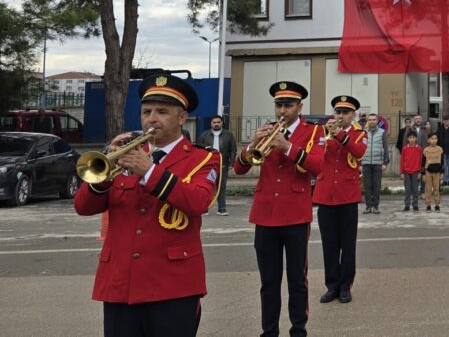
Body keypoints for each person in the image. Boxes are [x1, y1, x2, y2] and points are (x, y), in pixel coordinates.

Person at [74, 74, 220, 337]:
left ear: (182, 117)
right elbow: (83, 207)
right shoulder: (127, 154)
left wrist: (150, 171)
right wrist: (105, 170)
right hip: (121, 283)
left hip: (173, 285)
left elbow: (198, 201)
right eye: (146, 112)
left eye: (162, 111)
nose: (152, 118)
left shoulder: (203, 158)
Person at [232, 81, 324, 337]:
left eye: (288, 105)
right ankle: (269, 331)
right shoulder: (267, 130)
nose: (282, 110)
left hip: (295, 214)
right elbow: (239, 169)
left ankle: (298, 329)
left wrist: (288, 147)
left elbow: (318, 165)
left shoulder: (314, 131)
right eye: (279, 105)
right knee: (268, 282)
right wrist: (253, 145)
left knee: (297, 279)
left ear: (299, 106)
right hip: (265, 214)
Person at [313, 95, 366, 304]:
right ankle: (332, 285)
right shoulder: (321, 133)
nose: (341, 116)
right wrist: (328, 133)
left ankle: (346, 285)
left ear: (353, 115)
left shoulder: (359, 134)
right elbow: (315, 155)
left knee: (347, 244)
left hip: (347, 195)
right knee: (329, 244)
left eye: (345, 112)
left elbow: (359, 152)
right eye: (338, 112)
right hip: (326, 194)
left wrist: (340, 135)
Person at [195, 114, 237, 215]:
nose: (216, 124)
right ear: (211, 124)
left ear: (222, 123)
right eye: (214, 122)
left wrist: (231, 163)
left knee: (221, 186)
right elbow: (198, 150)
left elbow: (233, 150)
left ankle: (222, 209)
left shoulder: (228, 135)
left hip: (223, 165)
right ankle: (204, 208)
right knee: (207, 186)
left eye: (218, 122)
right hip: (209, 166)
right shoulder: (204, 135)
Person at [361, 113, 389, 214]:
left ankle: (376, 206)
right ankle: (368, 206)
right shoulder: (363, 132)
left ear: (377, 121)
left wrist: (385, 163)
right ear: (368, 121)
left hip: (378, 163)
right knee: (367, 186)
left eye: (374, 119)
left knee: (377, 186)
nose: (372, 121)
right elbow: (359, 148)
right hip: (366, 162)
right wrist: (360, 164)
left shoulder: (382, 132)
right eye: (370, 119)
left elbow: (386, 148)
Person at [400, 132, 422, 212]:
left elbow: (420, 161)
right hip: (406, 171)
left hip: (416, 171)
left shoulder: (419, 148)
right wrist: (401, 173)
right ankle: (407, 205)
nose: (412, 139)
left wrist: (420, 172)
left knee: (415, 189)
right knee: (407, 190)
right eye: (410, 138)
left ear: (416, 139)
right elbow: (402, 161)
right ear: (407, 139)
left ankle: (415, 205)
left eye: (413, 137)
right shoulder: (405, 148)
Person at [422, 133, 444, 212]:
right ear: (428, 140)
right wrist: (423, 174)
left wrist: (442, 173)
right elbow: (423, 162)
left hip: (437, 172)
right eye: (432, 138)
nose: (434, 140)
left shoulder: (440, 149)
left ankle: (437, 205)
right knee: (428, 189)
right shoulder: (425, 150)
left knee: (436, 188)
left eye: (435, 138)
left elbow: (442, 162)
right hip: (428, 171)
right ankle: (428, 205)